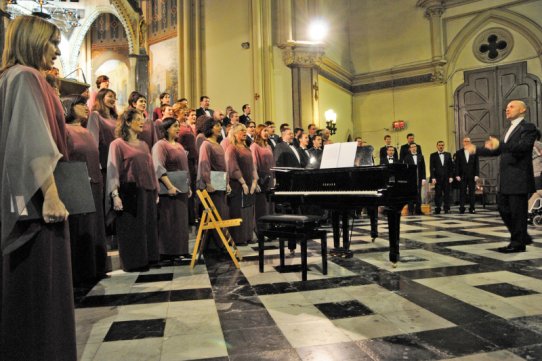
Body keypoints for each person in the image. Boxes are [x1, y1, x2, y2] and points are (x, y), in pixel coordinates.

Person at [0, 15, 76, 360]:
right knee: (42, 294)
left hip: (19, 202)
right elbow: (32, 142)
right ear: (33, 41)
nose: (58, 52)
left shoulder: (9, 77)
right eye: (54, 43)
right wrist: (52, 196)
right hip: (37, 205)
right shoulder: (27, 77)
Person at [469, 100, 537, 253]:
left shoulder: (528, 128)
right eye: (506, 108)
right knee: (503, 208)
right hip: (506, 179)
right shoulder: (508, 129)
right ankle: (521, 236)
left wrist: (500, 145)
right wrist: (477, 149)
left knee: (517, 212)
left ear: (522, 110)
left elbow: (523, 147)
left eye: (511, 107)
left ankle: (518, 243)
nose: (507, 109)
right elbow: (497, 150)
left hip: (519, 177)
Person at [106, 109, 160, 271]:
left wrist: (155, 191)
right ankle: (133, 262)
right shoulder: (117, 144)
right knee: (131, 229)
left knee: (148, 226)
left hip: (147, 191)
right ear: (127, 122)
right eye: (137, 119)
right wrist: (115, 195)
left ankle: (149, 258)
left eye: (142, 118)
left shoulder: (144, 145)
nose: (142, 122)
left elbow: (151, 169)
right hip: (129, 191)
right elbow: (113, 170)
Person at [62, 95, 108, 284]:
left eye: (85, 103)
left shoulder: (86, 131)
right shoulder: (64, 131)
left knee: (95, 225)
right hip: (77, 184)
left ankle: (96, 267)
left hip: (95, 182)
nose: (85, 107)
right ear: (68, 108)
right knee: (80, 227)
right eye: (80, 104)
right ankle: (81, 271)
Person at [152, 118, 192, 260]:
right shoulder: (160, 145)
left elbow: (185, 168)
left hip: (181, 187)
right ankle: (168, 252)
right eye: (175, 126)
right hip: (168, 189)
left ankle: (181, 249)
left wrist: (188, 185)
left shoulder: (179, 146)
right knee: (169, 220)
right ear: (167, 128)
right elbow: (158, 167)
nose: (178, 129)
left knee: (181, 221)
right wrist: (170, 186)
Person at [197, 119, 230, 251]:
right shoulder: (206, 144)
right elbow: (204, 164)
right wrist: (208, 182)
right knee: (215, 215)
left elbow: (224, 166)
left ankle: (220, 244)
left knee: (221, 213)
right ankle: (214, 246)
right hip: (213, 183)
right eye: (216, 126)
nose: (219, 128)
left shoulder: (218, 144)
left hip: (220, 181)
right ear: (210, 128)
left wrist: (227, 183)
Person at [226, 124, 258, 245]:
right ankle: (238, 238)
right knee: (238, 210)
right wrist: (243, 183)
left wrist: (254, 181)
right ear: (235, 134)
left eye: (245, 130)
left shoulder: (247, 148)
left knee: (248, 211)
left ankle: (248, 235)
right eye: (241, 131)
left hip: (249, 184)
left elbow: (253, 166)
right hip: (237, 184)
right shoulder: (232, 148)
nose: (245, 132)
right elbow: (233, 167)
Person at [251, 125, 275, 221]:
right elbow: (254, 163)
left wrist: (274, 176)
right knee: (261, 205)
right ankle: (261, 229)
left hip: (270, 179)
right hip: (261, 179)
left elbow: (273, 163)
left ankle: (270, 227)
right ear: (258, 132)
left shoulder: (268, 146)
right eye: (264, 130)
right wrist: (255, 180)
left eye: (267, 131)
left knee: (270, 204)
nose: (266, 133)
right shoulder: (254, 146)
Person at [455, 137, 479, 214]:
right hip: (462, 176)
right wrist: (457, 175)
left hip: (472, 176)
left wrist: (476, 175)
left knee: (472, 193)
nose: (466, 142)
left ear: (470, 142)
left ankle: (472, 208)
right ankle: (462, 208)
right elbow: (457, 165)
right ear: (463, 142)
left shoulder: (474, 151)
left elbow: (476, 164)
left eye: (468, 141)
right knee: (462, 192)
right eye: (465, 141)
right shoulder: (459, 152)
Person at [430, 141, 454, 214]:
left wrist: (451, 176)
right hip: (437, 178)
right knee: (438, 194)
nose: (441, 146)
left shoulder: (448, 154)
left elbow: (451, 167)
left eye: (442, 145)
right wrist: (433, 177)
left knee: (447, 193)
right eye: (439, 145)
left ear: (444, 146)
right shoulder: (433, 155)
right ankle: (438, 208)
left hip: (447, 178)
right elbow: (431, 167)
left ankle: (446, 208)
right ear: (437, 146)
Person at [403, 143, 426, 215]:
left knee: (419, 194)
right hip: (410, 179)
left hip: (419, 178)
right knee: (411, 194)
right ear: (410, 149)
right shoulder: (407, 157)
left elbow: (423, 168)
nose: (414, 148)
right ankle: (411, 210)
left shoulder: (420, 156)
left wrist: (423, 178)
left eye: (415, 147)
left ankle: (418, 210)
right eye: (412, 147)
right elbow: (405, 169)